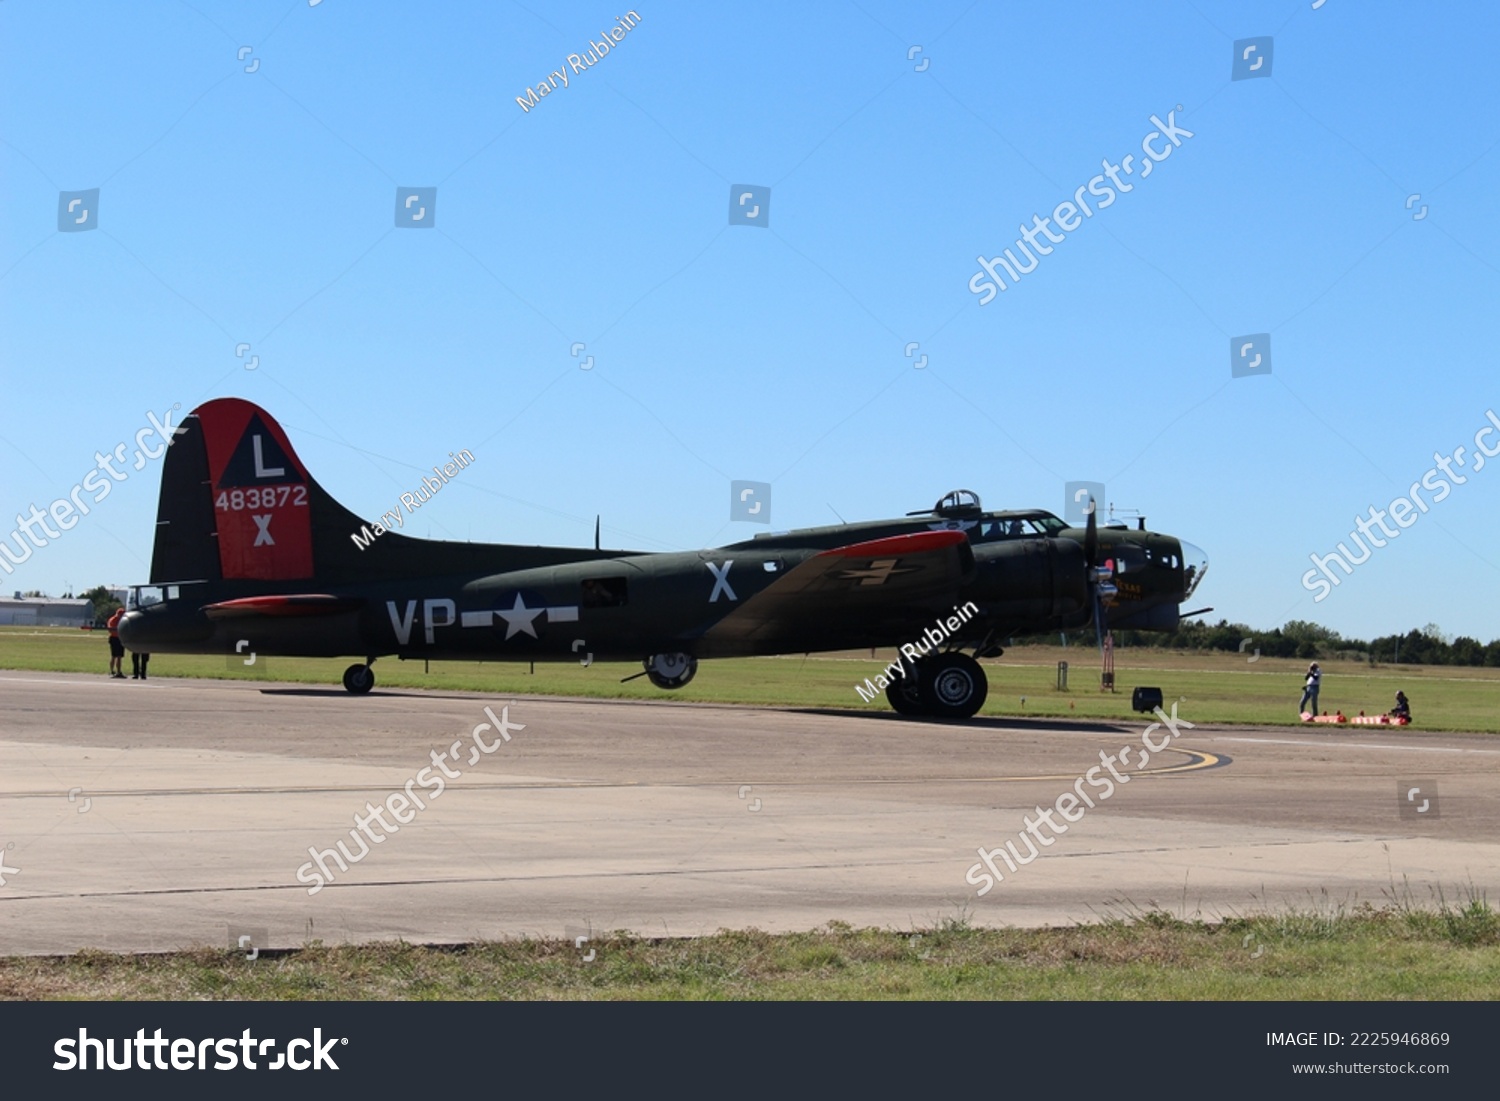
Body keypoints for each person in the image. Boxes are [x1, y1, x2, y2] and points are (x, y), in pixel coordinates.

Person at [107, 606, 126, 678]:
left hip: (121, 638)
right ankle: (112, 671)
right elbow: (111, 629)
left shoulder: (124, 620)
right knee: (114, 656)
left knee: (120, 656)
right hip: (114, 638)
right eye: (120, 614)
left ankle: (119, 671)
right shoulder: (113, 620)